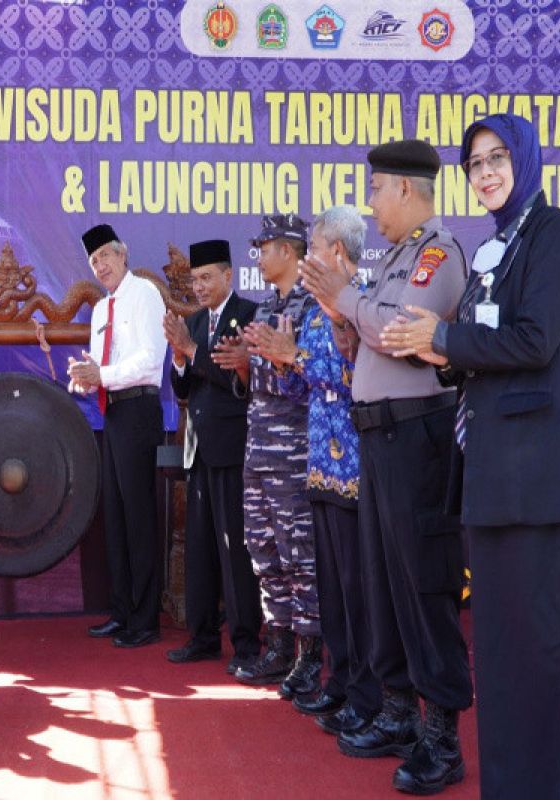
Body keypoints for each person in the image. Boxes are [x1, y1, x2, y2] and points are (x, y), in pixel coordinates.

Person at [380, 113, 560, 799]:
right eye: (475, 163)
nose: (487, 171)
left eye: (498, 157)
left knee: (544, 660)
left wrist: (444, 339)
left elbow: (534, 342)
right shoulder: (493, 249)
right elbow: (474, 348)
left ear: (525, 160)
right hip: (493, 481)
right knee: (502, 661)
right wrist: (435, 350)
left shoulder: (552, 234)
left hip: (538, 481)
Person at [301, 139, 471, 795]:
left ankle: (441, 736)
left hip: (416, 438)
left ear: (405, 188)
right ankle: (399, 711)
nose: (370, 207)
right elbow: (367, 334)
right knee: (383, 585)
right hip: (377, 437)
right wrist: (341, 314)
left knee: (423, 587)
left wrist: (352, 304)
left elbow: (402, 334)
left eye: (376, 191)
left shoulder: (437, 254)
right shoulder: (390, 258)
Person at [248, 206, 381, 736]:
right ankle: (342, 682)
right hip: (318, 467)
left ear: (340, 254)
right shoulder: (318, 308)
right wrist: (283, 362)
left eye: (317, 249)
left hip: (353, 464)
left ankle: (369, 692)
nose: (309, 260)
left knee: (356, 585)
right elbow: (303, 388)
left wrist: (295, 357)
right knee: (332, 582)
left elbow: (354, 376)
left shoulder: (360, 304)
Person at [219, 214, 319, 693]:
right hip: (257, 446)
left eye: (265, 244)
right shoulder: (260, 313)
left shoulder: (312, 307)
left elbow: (313, 382)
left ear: (289, 250)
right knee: (263, 547)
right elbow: (255, 388)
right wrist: (244, 366)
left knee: (299, 552)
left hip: (295, 451)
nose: (257, 252)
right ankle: (277, 646)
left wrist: (283, 356)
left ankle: (309, 655)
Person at [164, 239, 262, 671]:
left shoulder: (250, 316)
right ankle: (202, 637)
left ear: (229, 275)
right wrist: (180, 362)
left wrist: (191, 352)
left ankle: (245, 646)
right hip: (198, 448)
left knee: (234, 550)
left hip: (234, 449)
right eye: (194, 280)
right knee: (200, 548)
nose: (199, 287)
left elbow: (238, 382)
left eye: (206, 278)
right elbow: (185, 390)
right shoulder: (196, 321)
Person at [69, 224, 168, 648]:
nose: (101, 266)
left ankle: (145, 620)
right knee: (115, 515)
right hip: (112, 413)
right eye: (94, 262)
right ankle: (122, 611)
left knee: (138, 516)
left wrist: (103, 374)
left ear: (123, 255)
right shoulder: (100, 309)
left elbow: (150, 360)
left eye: (106, 256)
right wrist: (85, 380)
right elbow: (100, 367)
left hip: (139, 410)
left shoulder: (144, 294)